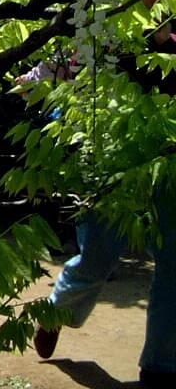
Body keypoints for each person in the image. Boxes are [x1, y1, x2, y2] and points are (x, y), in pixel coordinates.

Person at [32, 21, 176, 387]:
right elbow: (71, 75)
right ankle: (56, 311)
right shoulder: (106, 13)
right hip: (108, 151)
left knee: (173, 263)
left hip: (168, 155)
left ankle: (161, 365)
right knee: (98, 256)